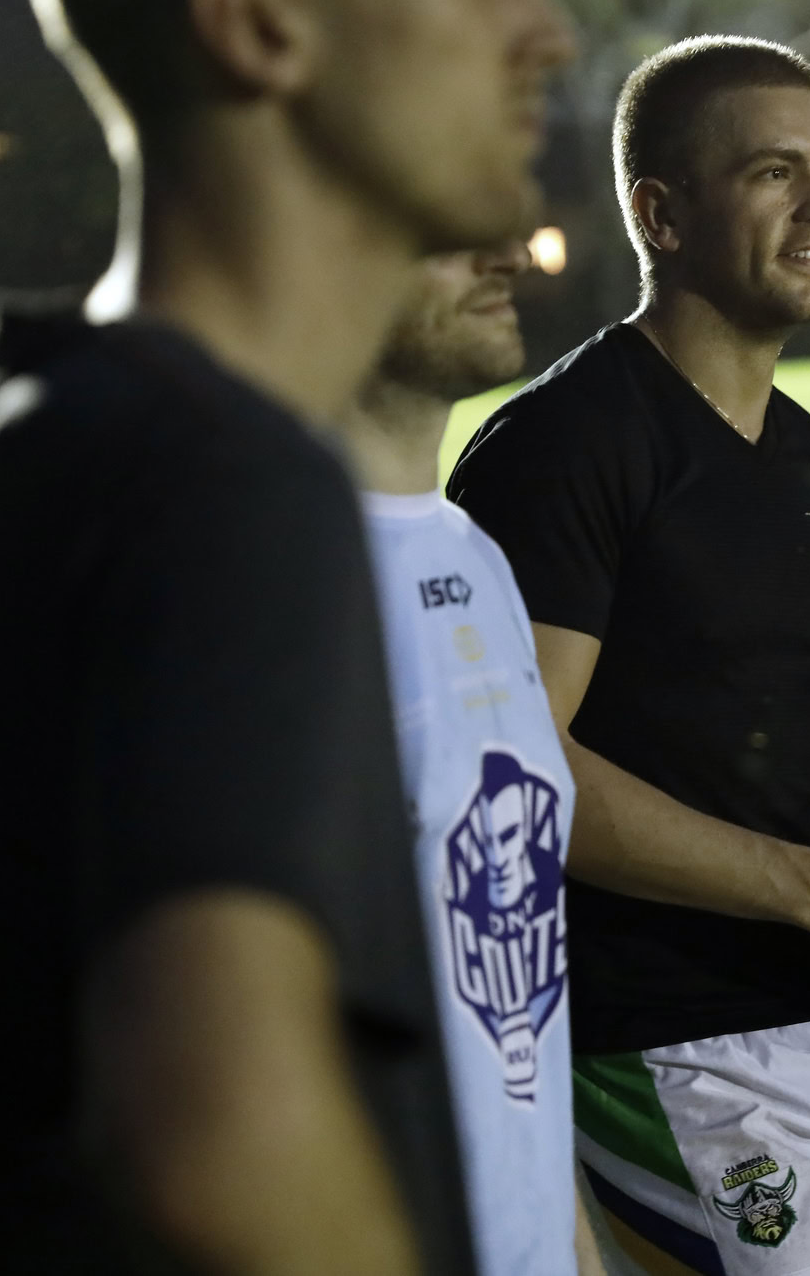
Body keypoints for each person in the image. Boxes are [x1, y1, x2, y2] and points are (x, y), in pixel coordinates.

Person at [0, 0, 572, 1271]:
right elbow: (225, 1160)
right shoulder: (225, 482)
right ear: (260, 25)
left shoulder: (22, 433)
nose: (546, 27)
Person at [449, 36, 810, 1276]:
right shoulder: (563, 447)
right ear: (658, 213)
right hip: (667, 1037)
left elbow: (790, 733)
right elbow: (514, 776)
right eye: (776, 173)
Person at [337, 240, 609, 1276]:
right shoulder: (253, 577)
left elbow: (506, 958)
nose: (507, 250)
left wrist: (567, 1239)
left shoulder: (470, 553)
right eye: (442, 229)